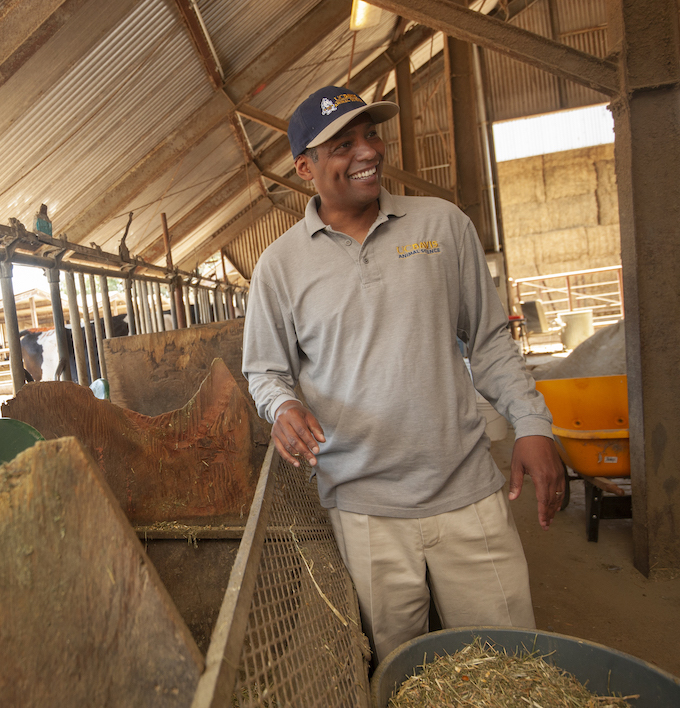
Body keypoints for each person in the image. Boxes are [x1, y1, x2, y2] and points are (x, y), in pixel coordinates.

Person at [241, 85, 566, 664]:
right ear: (304, 166)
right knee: (404, 669)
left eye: (370, 134)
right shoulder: (280, 267)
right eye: (342, 144)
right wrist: (282, 407)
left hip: (467, 492)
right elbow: (265, 371)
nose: (367, 151)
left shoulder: (442, 225)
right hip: (365, 508)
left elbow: (488, 340)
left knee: (511, 666)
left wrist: (531, 423)